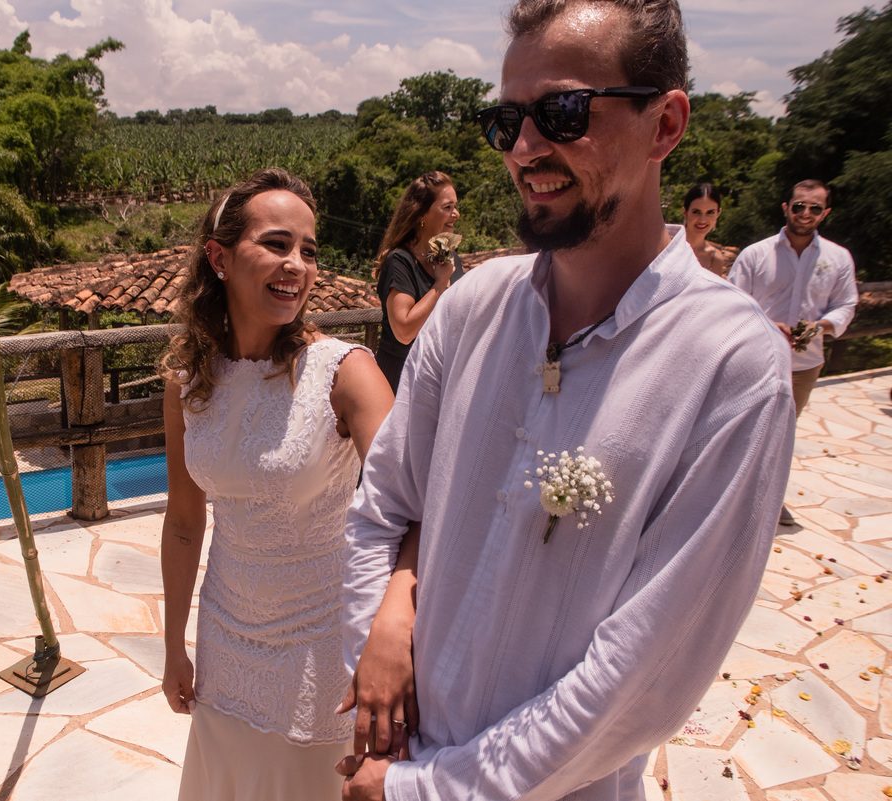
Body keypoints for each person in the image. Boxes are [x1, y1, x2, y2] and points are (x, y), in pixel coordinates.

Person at [339, 2, 796, 799]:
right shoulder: (473, 309)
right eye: (506, 121)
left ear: (665, 124)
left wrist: (426, 788)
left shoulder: (729, 367)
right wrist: (382, 691)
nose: (524, 149)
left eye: (563, 112)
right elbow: (380, 510)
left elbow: (639, 681)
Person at [158, 169, 398, 801]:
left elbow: (412, 510)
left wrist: (392, 644)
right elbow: (183, 522)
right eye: (276, 244)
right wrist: (174, 644)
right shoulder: (187, 380)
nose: (297, 264)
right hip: (225, 639)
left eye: (308, 250)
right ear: (219, 258)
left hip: (321, 644)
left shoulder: (346, 372)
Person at [728, 179, 858, 524]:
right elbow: (732, 302)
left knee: (782, 433)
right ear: (786, 207)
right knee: (743, 428)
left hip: (805, 363)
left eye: (815, 208)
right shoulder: (755, 254)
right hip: (758, 359)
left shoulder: (837, 258)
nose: (806, 213)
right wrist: (768, 325)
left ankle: (768, 499)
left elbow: (846, 304)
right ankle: (729, 497)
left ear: (825, 213)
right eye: (799, 206)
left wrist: (821, 326)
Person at [372, 172, 465, 393]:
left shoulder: (451, 259)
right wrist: (440, 284)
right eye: (447, 207)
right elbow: (403, 331)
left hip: (440, 376)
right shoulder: (400, 261)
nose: (456, 214)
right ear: (422, 213)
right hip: (401, 378)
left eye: (455, 206)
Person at [682, 182, 729, 276]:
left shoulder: (715, 258)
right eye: (696, 212)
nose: (702, 220)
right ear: (685, 212)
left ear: (718, 213)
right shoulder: (667, 246)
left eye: (710, 212)